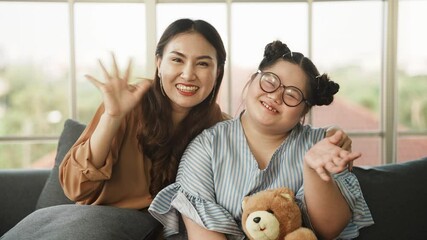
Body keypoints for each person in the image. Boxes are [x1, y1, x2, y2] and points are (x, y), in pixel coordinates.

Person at [149, 40, 374, 240]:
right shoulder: (206, 147)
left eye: (292, 94)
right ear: (253, 79)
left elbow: (329, 230)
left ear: (304, 110)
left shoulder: (324, 146)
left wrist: (313, 170)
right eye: (269, 81)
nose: (275, 95)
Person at [58, 18, 228, 232]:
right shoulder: (126, 104)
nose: (187, 74)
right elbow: (75, 187)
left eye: (202, 63)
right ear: (159, 63)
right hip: (101, 227)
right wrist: (112, 117)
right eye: (177, 60)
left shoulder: (221, 128)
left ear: (218, 72)